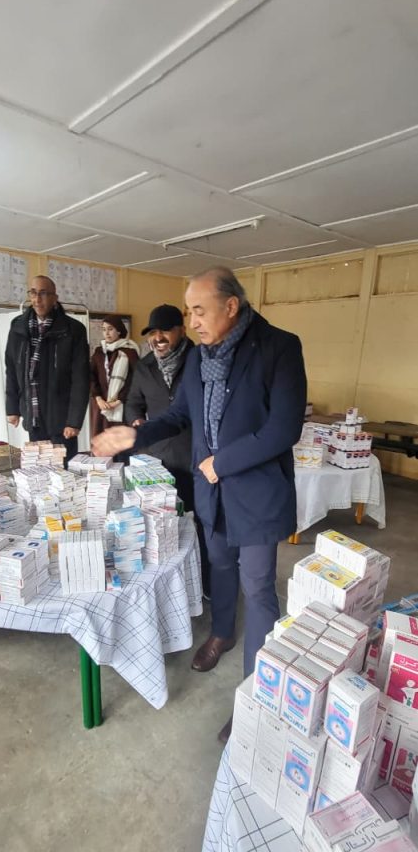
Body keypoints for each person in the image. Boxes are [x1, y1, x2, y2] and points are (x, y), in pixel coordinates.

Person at [92, 267, 307, 738]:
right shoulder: (199, 358)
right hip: (213, 493)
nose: (191, 322)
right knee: (221, 566)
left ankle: (256, 699)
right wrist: (135, 435)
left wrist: (222, 463)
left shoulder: (278, 347)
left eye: (198, 311)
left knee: (259, 588)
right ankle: (222, 633)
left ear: (231, 306)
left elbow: (284, 428)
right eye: (188, 312)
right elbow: (179, 415)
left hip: (255, 493)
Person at [5, 275, 90, 463]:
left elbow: (81, 378)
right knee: (39, 470)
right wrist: (12, 408)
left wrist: (74, 421)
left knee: (65, 472)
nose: (37, 299)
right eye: (33, 293)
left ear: (54, 298)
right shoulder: (18, 327)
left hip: (62, 418)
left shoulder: (73, 330)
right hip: (33, 414)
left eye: (43, 293)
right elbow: (12, 368)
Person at [125, 304, 193, 508]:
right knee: (163, 514)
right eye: (153, 332)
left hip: (193, 455)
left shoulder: (199, 361)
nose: (158, 338)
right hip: (157, 456)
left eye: (165, 330)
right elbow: (133, 402)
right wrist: (136, 419)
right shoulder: (144, 366)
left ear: (182, 330)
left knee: (194, 514)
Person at [90, 315, 139, 438]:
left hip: (122, 404)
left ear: (119, 331)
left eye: (110, 329)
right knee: (102, 439)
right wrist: (98, 399)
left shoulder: (130, 352)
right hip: (101, 405)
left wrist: (119, 400)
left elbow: (135, 380)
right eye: (104, 329)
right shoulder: (99, 352)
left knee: (121, 441)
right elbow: (91, 376)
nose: (106, 333)